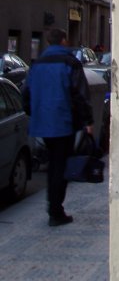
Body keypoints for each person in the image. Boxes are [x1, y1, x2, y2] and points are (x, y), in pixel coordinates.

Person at [22, 28, 94, 227]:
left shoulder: (37, 64)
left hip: (44, 123)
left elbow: (26, 94)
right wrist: (88, 121)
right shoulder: (70, 63)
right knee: (60, 166)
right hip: (63, 122)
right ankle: (55, 211)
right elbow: (80, 95)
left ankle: (53, 207)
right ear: (63, 41)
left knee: (54, 164)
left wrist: (35, 113)